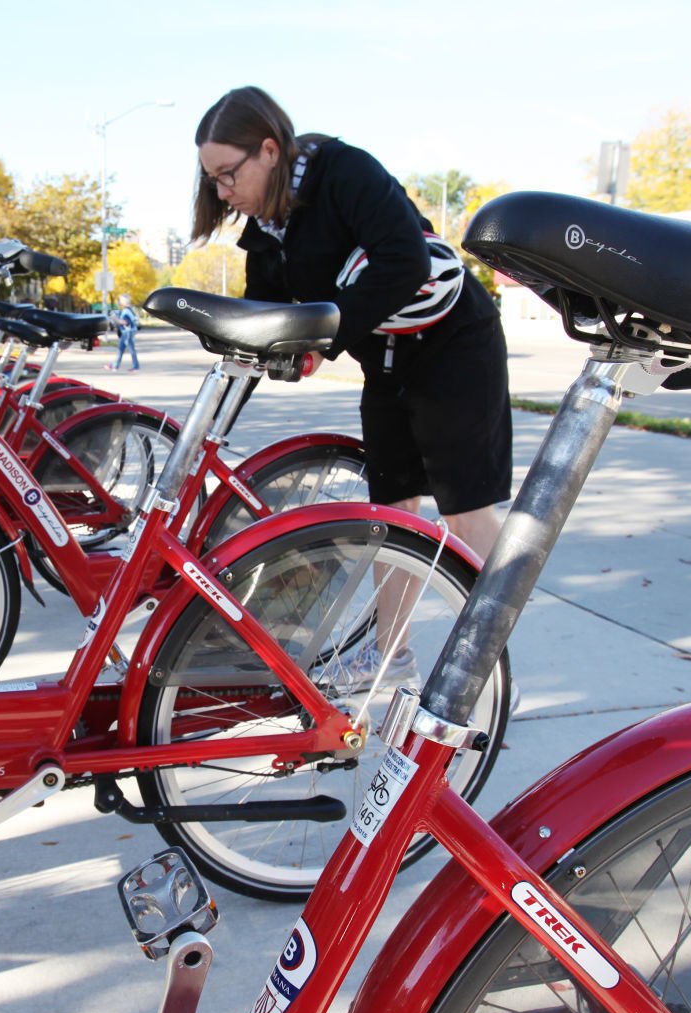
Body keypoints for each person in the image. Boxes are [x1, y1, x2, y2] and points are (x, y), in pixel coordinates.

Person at [191, 85, 514, 684]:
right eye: (212, 180)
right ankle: (389, 659)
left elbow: (405, 261)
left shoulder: (343, 171)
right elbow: (262, 316)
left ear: (269, 149)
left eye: (228, 175)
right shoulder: (266, 228)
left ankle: (490, 668)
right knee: (392, 510)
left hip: (453, 343)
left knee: (465, 511)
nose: (222, 191)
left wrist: (323, 339)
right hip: (386, 356)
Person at [107, 293, 141, 371]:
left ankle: (135, 367)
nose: (120, 301)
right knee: (121, 349)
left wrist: (115, 319)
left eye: (121, 300)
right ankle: (115, 366)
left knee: (131, 350)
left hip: (127, 332)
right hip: (128, 332)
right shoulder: (129, 309)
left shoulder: (126, 311)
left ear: (125, 301)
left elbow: (126, 322)